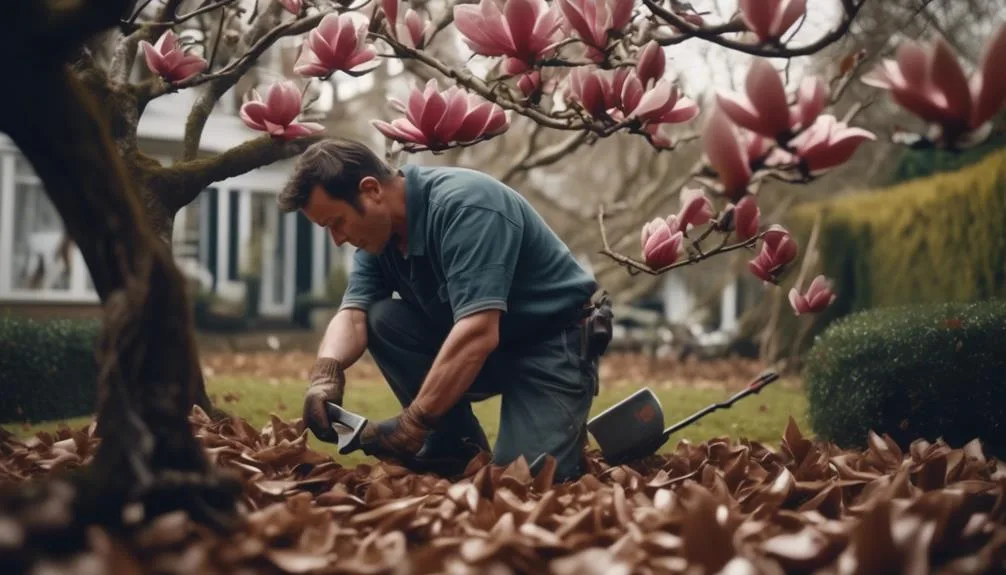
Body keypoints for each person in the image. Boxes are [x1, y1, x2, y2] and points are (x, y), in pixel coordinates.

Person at [277, 137, 612, 482]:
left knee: (523, 482)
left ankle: (437, 432)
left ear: (371, 190)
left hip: (551, 347)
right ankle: (452, 448)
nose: (337, 239)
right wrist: (325, 375)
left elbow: (479, 332)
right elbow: (353, 314)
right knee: (382, 319)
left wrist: (413, 422)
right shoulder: (378, 239)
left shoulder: (467, 207)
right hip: (482, 347)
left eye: (336, 222)